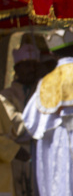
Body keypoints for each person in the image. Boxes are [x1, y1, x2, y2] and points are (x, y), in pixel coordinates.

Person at [22, 30, 73, 196]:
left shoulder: (45, 82)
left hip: (57, 144)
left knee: (61, 183)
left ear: (52, 53)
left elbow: (30, 122)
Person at [0, 43, 46, 196]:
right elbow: (14, 123)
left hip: (42, 152)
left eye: (34, 65)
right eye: (27, 65)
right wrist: (42, 121)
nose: (31, 70)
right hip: (19, 155)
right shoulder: (6, 95)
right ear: (17, 68)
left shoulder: (43, 90)